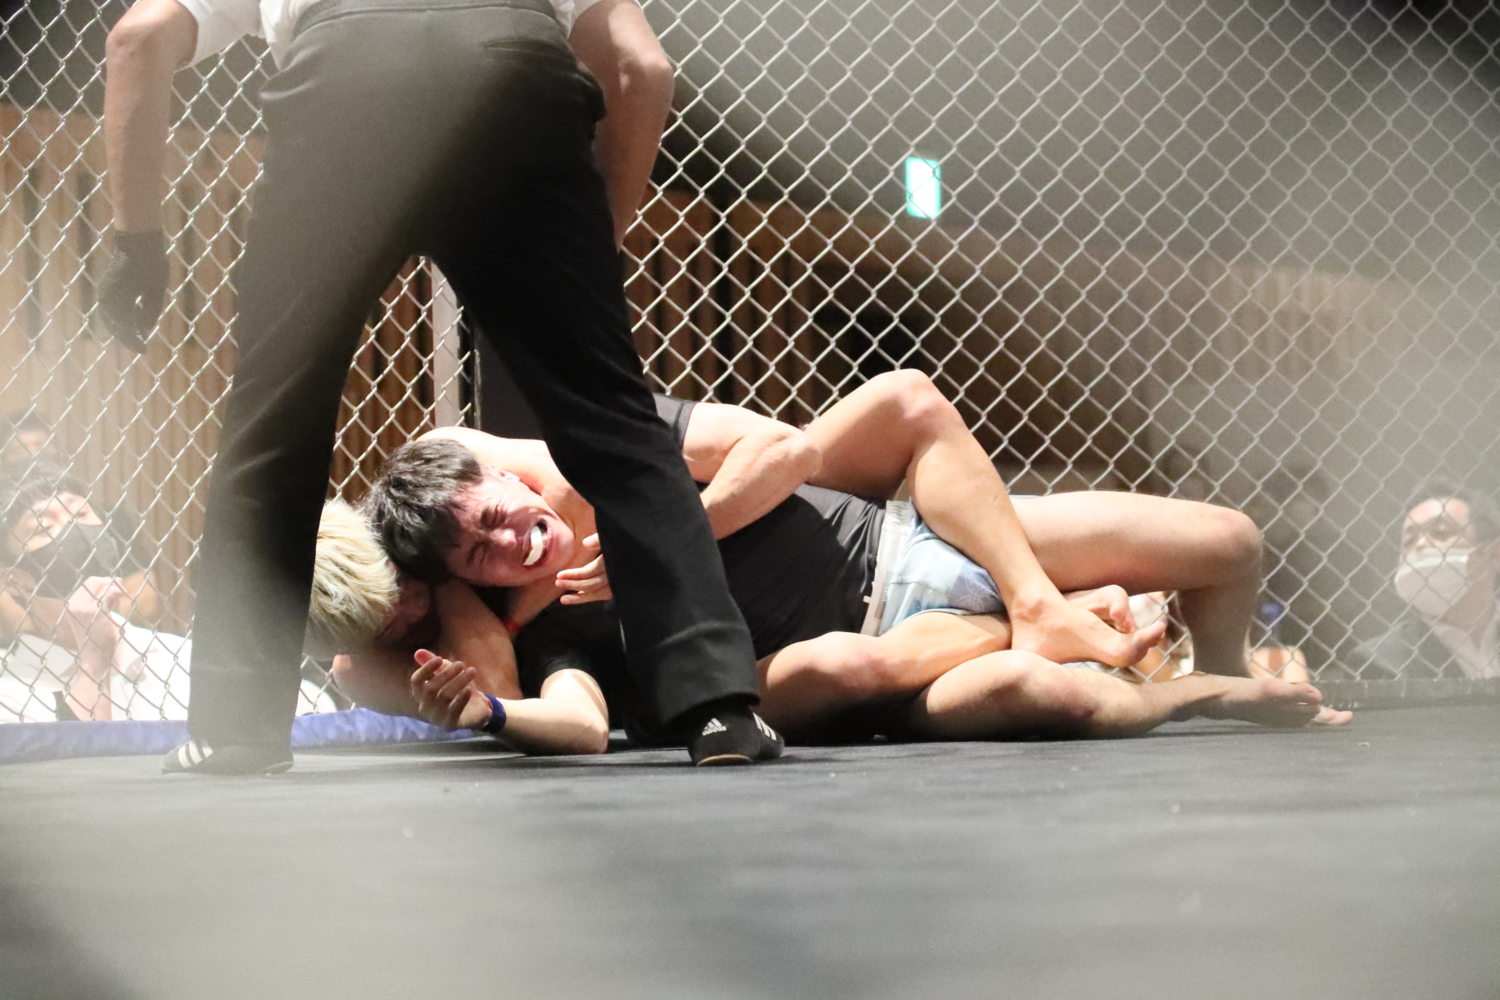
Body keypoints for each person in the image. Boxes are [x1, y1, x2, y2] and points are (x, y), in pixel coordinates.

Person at [100, 0, 782, 771]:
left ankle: (234, 731)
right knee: (610, 418)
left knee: (272, 432)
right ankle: (716, 710)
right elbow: (642, 68)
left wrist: (135, 239)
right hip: (511, 79)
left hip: (343, 95)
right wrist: (592, 251)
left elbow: (138, 40)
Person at [340, 372, 1346, 746]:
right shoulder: (537, 621)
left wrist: (670, 536)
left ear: (509, 476)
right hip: (875, 660)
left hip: (908, 538)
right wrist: (480, 686)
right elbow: (542, 706)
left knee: (1230, 542)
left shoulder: (604, 451)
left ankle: (1079, 618)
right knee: (991, 685)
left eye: (499, 514)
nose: (512, 539)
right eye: (483, 553)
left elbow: (783, 447)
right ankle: (1194, 688)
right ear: (464, 582)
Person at [1350, 483, 1500, 680]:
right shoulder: (1380, 660)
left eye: (1440, 532)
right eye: (1409, 542)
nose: (1421, 545)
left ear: (1493, 553)